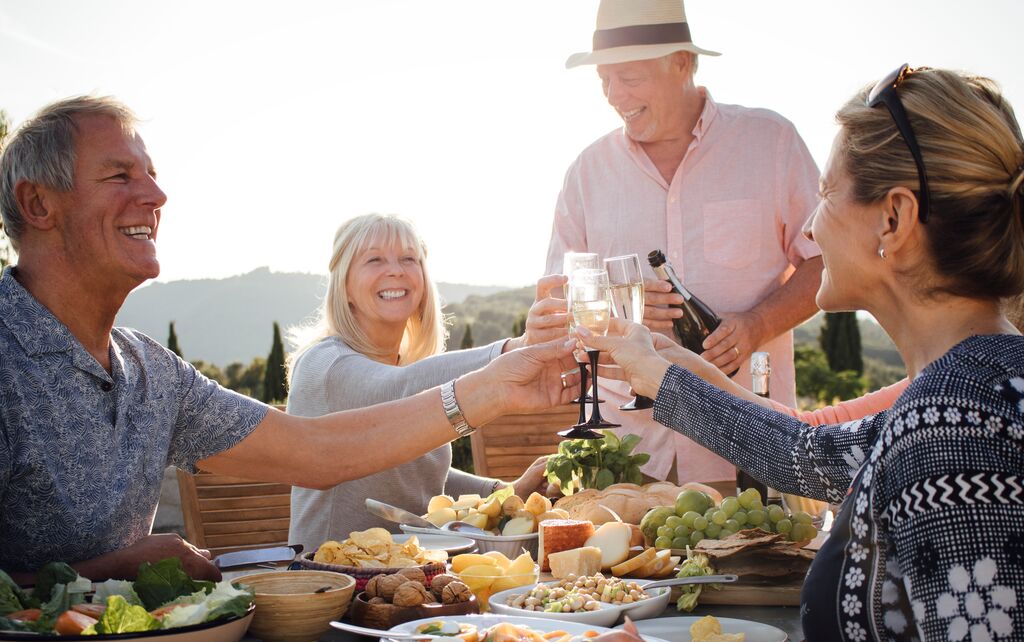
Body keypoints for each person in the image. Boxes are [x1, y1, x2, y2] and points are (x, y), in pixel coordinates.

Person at [0, 96, 579, 584]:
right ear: (38, 204)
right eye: (121, 175)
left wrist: (498, 418)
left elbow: (318, 454)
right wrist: (108, 570)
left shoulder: (152, 371)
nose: (157, 195)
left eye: (151, 174)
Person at [578, 66, 1024, 642]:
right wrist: (671, 373)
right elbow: (810, 454)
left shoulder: (956, 431)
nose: (810, 226)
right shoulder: (972, 391)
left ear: (893, 218)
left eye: (827, 193)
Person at [545, 0, 823, 484]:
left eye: (628, 78)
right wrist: (620, 311)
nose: (613, 94)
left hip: (746, 445)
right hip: (625, 452)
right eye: (604, 79)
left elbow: (827, 264)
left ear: (682, 62)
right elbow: (554, 296)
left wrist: (757, 324)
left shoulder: (771, 142)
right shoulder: (586, 172)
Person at [286, 213, 567, 547]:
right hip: (331, 582)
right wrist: (515, 349)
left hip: (410, 574)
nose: (396, 270)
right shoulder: (324, 365)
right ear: (345, 285)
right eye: (374, 259)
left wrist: (503, 491)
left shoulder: (410, 369)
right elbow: (396, 389)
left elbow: (419, 475)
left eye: (409, 258)